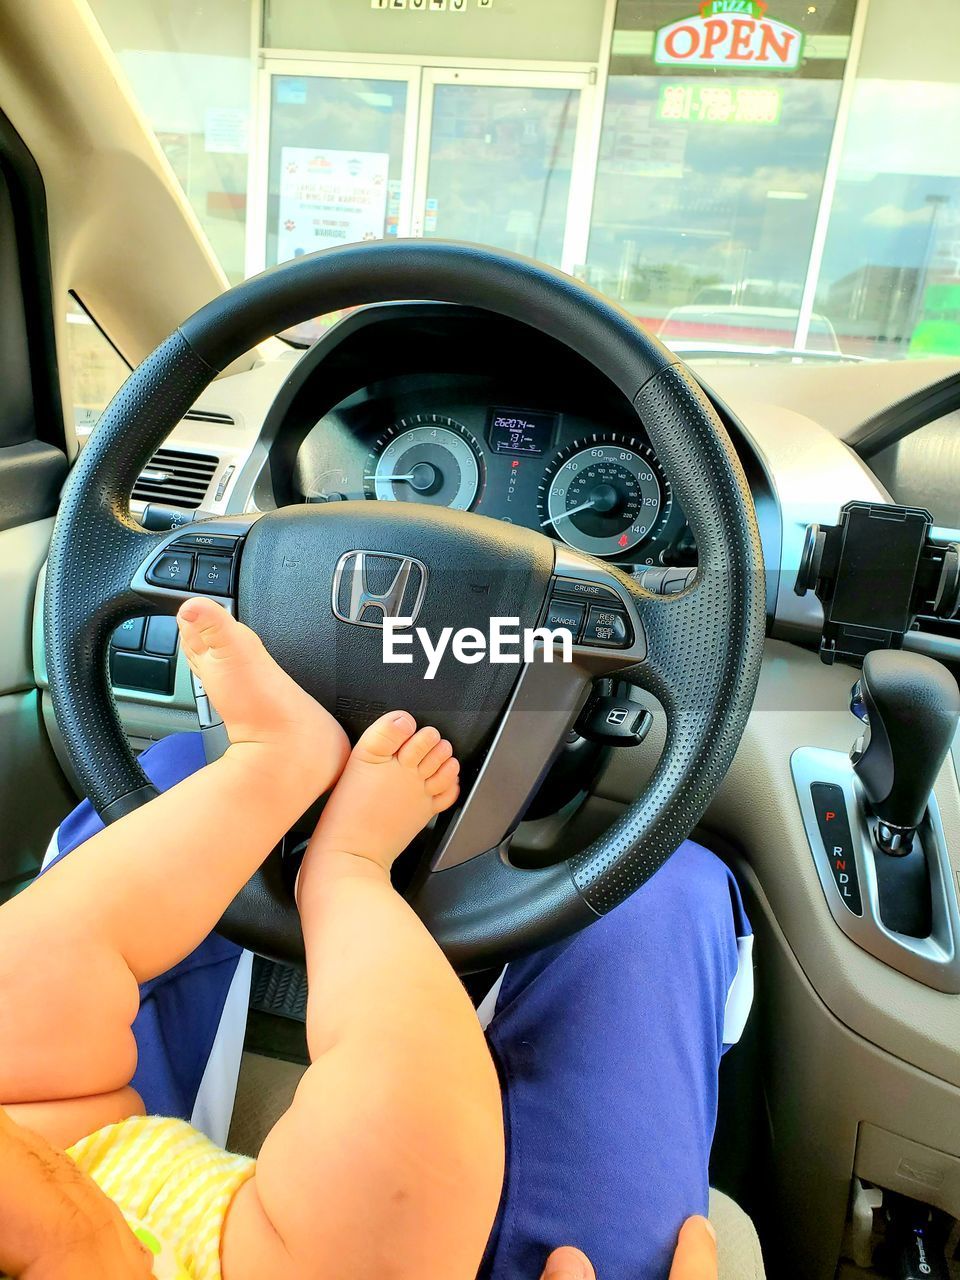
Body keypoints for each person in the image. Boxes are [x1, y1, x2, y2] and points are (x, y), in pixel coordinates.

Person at [1, 598, 750, 1279]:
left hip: (64, 1151)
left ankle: (275, 763)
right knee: (412, 1165)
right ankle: (346, 871)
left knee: (32, 972)